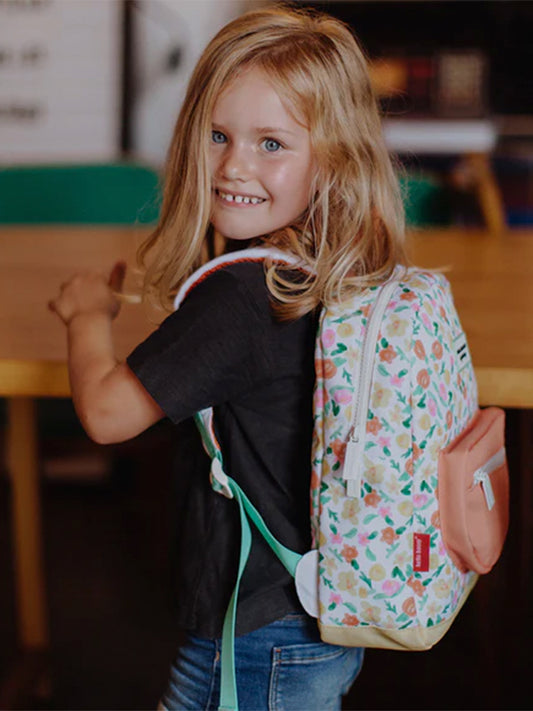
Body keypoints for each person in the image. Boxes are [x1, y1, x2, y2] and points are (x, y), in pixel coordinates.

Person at [49, 4, 407, 709]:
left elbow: (105, 413)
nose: (234, 164)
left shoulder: (245, 297)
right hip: (316, 613)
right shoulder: (323, 266)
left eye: (271, 143)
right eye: (218, 135)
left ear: (331, 158)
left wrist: (88, 316)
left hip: (259, 632)